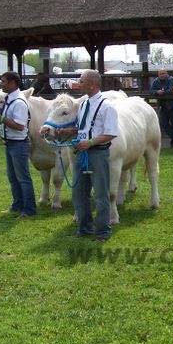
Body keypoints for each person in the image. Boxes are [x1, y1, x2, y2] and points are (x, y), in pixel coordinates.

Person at [51, 69, 118, 241]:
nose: (78, 84)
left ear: (92, 84)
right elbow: (80, 129)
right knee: (79, 193)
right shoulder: (83, 104)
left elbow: (111, 133)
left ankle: (103, 231)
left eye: (81, 81)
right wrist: (64, 131)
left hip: (97, 153)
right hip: (81, 153)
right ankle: (84, 228)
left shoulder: (107, 106)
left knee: (101, 194)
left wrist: (90, 142)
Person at [0, 71, 37, 219]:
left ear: (12, 83)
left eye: (3, 81)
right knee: (13, 176)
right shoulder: (9, 99)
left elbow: (20, 125)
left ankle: (29, 209)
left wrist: (1, 119)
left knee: (23, 177)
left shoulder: (19, 102)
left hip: (18, 144)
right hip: (10, 142)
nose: (1, 84)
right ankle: (18, 204)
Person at [150, 69, 173, 148]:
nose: (161, 75)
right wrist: (157, 92)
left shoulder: (171, 79)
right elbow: (151, 90)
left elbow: (172, 91)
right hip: (163, 106)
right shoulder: (156, 81)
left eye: (163, 73)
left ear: (166, 73)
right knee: (163, 123)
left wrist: (162, 92)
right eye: (160, 74)